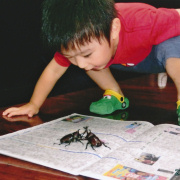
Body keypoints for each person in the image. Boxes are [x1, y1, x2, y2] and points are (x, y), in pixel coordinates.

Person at [3, 0, 180, 118]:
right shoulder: (76, 43)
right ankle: (115, 95)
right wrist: (34, 104)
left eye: (86, 53)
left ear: (114, 29)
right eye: (71, 57)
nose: (78, 63)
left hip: (158, 53)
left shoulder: (144, 22)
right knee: (92, 63)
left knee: (173, 48)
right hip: (128, 59)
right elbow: (53, 71)